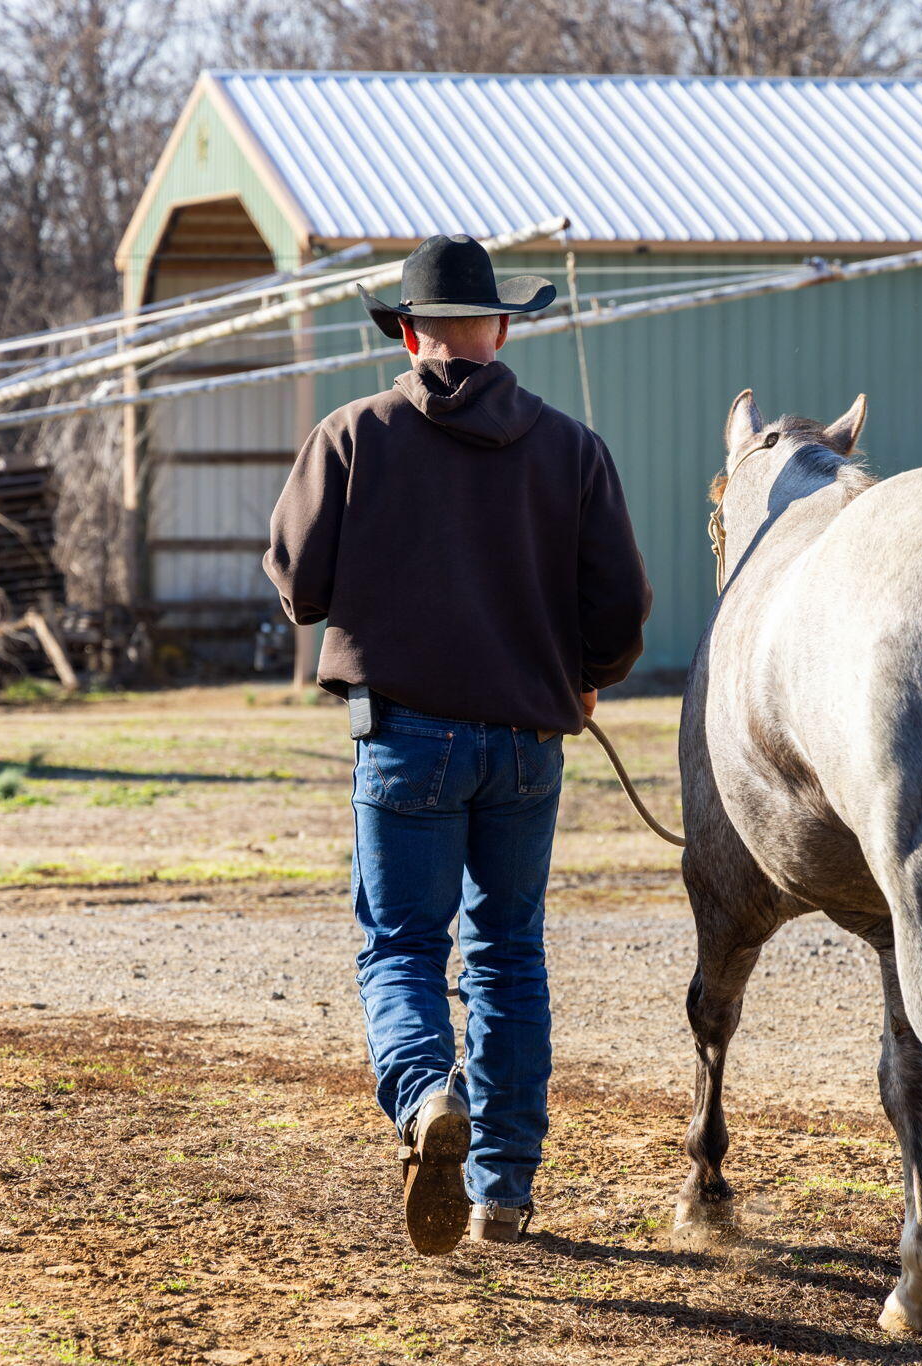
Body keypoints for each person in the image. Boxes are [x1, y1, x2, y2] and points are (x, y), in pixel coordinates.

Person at [263, 234, 651, 1254]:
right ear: (502, 330)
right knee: (507, 955)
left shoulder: (352, 435)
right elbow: (619, 607)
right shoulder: (572, 449)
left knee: (402, 946)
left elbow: (299, 588)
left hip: (403, 737)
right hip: (527, 742)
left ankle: (426, 1094)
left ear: (406, 334)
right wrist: (588, 675)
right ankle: (504, 1194)